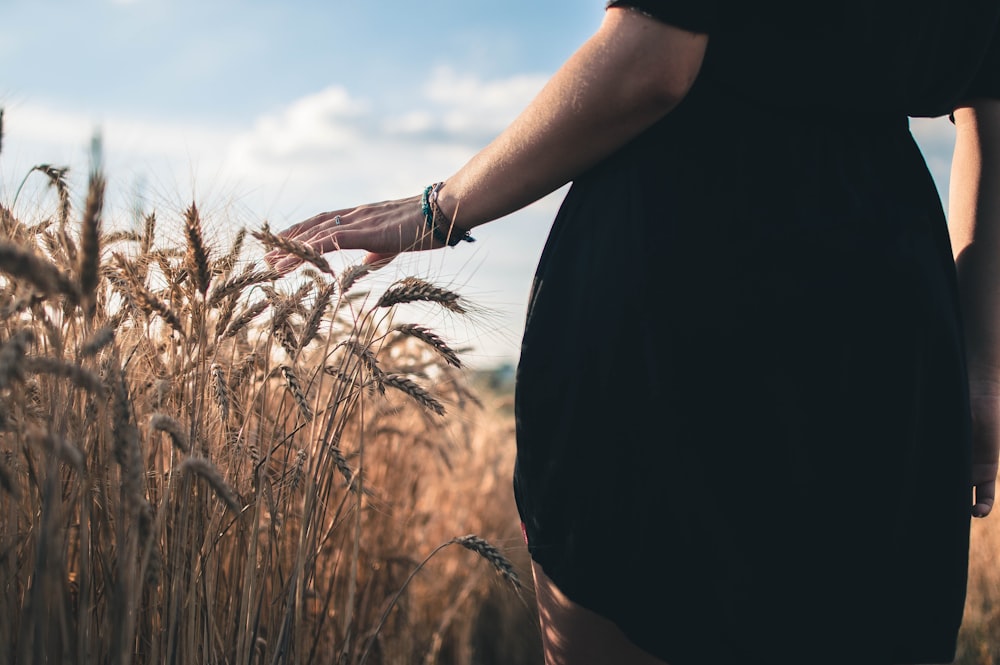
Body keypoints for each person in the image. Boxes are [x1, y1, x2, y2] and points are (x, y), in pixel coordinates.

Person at [266, 2, 1000, 663]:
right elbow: (992, 123)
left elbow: (657, 60)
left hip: (679, 292)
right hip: (890, 320)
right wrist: (980, 370)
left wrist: (441, 205)